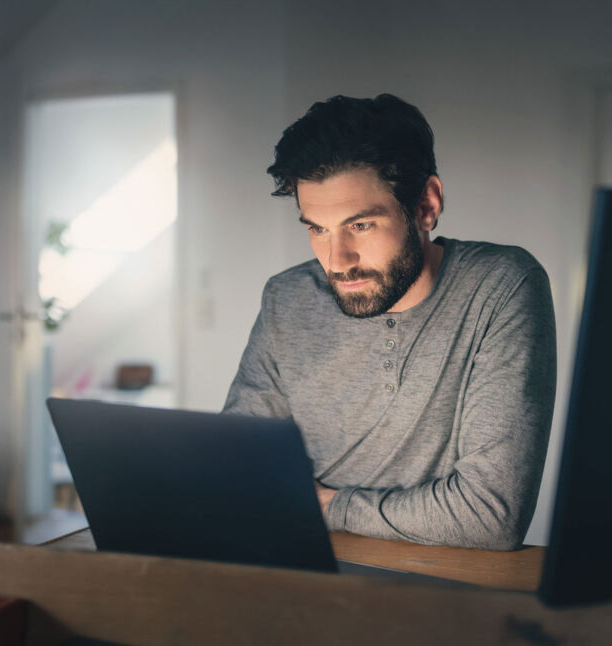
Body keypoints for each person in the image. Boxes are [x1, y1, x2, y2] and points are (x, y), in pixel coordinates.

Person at [223, 94, 556, 550]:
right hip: (305, 567)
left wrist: (328, 507)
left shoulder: (500, 287)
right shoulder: (287, 298)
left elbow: (489, 514)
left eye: (360, 226)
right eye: (317, 229)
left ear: (426, 205)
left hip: (437, 581)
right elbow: (239, 469)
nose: (337, 262)